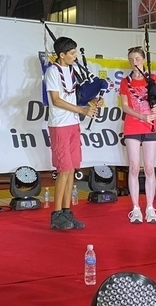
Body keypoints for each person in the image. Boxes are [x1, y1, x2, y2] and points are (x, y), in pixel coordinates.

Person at [44, 36, 98, 230]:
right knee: (64, 169)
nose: (75, 56)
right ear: (62, 55)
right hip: (60, 125)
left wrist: (91, 102)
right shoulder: (52, 71)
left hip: (73, 124)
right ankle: (56, 214)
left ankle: (67, 212)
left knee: (72, 169)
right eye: (72, 53)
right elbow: (56, 100)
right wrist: (82, 110)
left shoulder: (72, 70)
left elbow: (76, 96)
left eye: (75, 52)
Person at [120, 46, 156, 224]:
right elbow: (125, 106)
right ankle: (136, 208)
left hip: (151, 127)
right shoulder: (125, 82)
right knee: (134, 167)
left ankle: (150, 207)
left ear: (143, 60)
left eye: (137, 58)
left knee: (150, 167)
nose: (134, 62)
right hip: (132, 126)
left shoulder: (154, 78)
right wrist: (141, 116)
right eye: (131, 59)